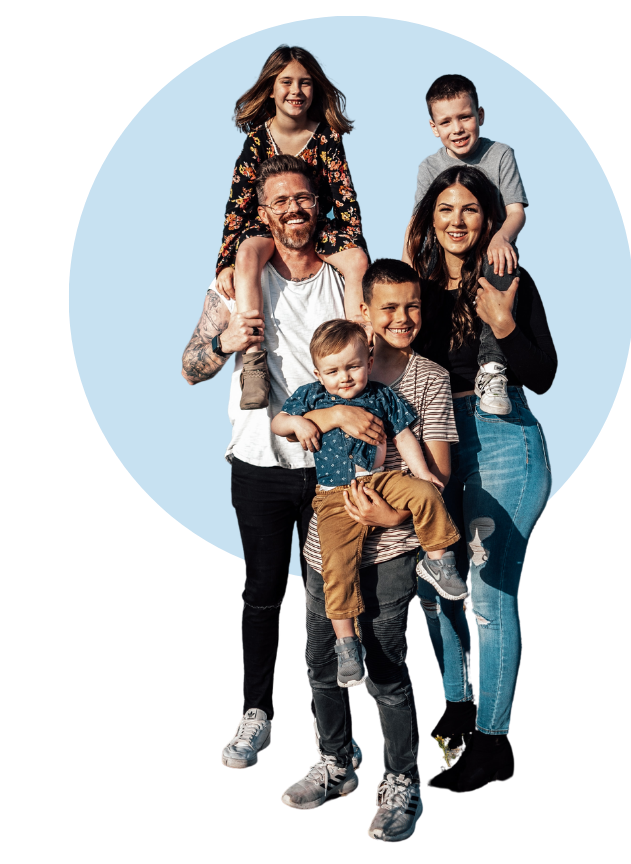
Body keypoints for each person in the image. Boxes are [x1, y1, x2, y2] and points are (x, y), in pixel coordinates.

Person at [181, 154, 363, 773]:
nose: (293, 209)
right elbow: (189, 367)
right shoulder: (234, 284)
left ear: (320, 206)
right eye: (280, 200)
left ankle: (330, 730)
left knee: (328, 597)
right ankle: (256, 713)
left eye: (303, 198)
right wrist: (222, 341)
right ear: (264, 213)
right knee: (262, 593)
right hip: (258, 460)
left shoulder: (341, 280)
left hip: (330, 466)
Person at [279, 259, 459, 843]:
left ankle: (402, 780)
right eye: (388, 307)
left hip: (393, 540)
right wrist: (330, 412)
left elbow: (438, 469)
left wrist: (391, 513)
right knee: (321, 659)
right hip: (324, 541)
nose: (402, 318)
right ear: (364, 313)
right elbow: (287, 423)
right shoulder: (333, 368)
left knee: (385, 667)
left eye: (412, 307)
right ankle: (336, 761)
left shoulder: (425, 378)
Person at [408, 164, 557, 791]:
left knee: (491, 598)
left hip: (503, 440)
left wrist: (501, 319)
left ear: (489, 219)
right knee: (432, 584)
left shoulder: (509, 280)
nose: (457, 220)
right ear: (429, 220)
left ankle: (495, 740)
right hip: (434, 440)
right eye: (445, 209)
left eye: (470, 209)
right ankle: (456, 706)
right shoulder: (414, 286)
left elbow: (543, 372)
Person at [272, 319, 466, 688]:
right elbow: (279, 423)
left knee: (428, 493)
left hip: (383, 481)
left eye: (353, 366)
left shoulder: (381, 395)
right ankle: (347, 643)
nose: (344, 377)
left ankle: (439, 562)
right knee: (337, 564)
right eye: (333, 371)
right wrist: (298, 425)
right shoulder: (311, 396)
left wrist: (422, 472)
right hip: (334, 496)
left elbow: (404, 435)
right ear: (318, 373)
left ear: (369, 360)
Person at [215, 44, 370, 410]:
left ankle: (362, 348)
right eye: (286, 82)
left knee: (358, 261)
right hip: (267, 227)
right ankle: (255, 361)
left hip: (317, 226)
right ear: (271, 88)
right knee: (248, 252)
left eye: (305, 83)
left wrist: (354, 246)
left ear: (315, 89)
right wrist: (225, 262)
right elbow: (237, 205)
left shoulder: (328, 137)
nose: (296, 91)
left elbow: (345, 196)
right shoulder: (256, 141)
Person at [402, 73, 529, 416]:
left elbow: (516, 212)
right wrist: (405, 271)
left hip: (490, 253)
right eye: (446, 121)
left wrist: (502, 236)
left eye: (465, 117)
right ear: (433, 127)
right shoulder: (429, 167)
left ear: (480, 115)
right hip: (444, 258)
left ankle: (491, 369)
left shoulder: (500, 154)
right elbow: (417, 223)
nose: (456, 128)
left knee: (501, 263)